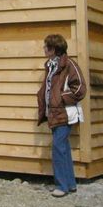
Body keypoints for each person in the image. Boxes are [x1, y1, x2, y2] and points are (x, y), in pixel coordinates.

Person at [37, 34, 86, 198]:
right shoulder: (50, 66)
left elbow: (80, 89)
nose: (43, 49)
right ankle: (70, 184)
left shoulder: (69, 64)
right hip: (54, 114)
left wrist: (61, 98)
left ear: (53, 49)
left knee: (58, 148)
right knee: (63, 148)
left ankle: (61, 186)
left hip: (66, 113)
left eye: (46, 47)